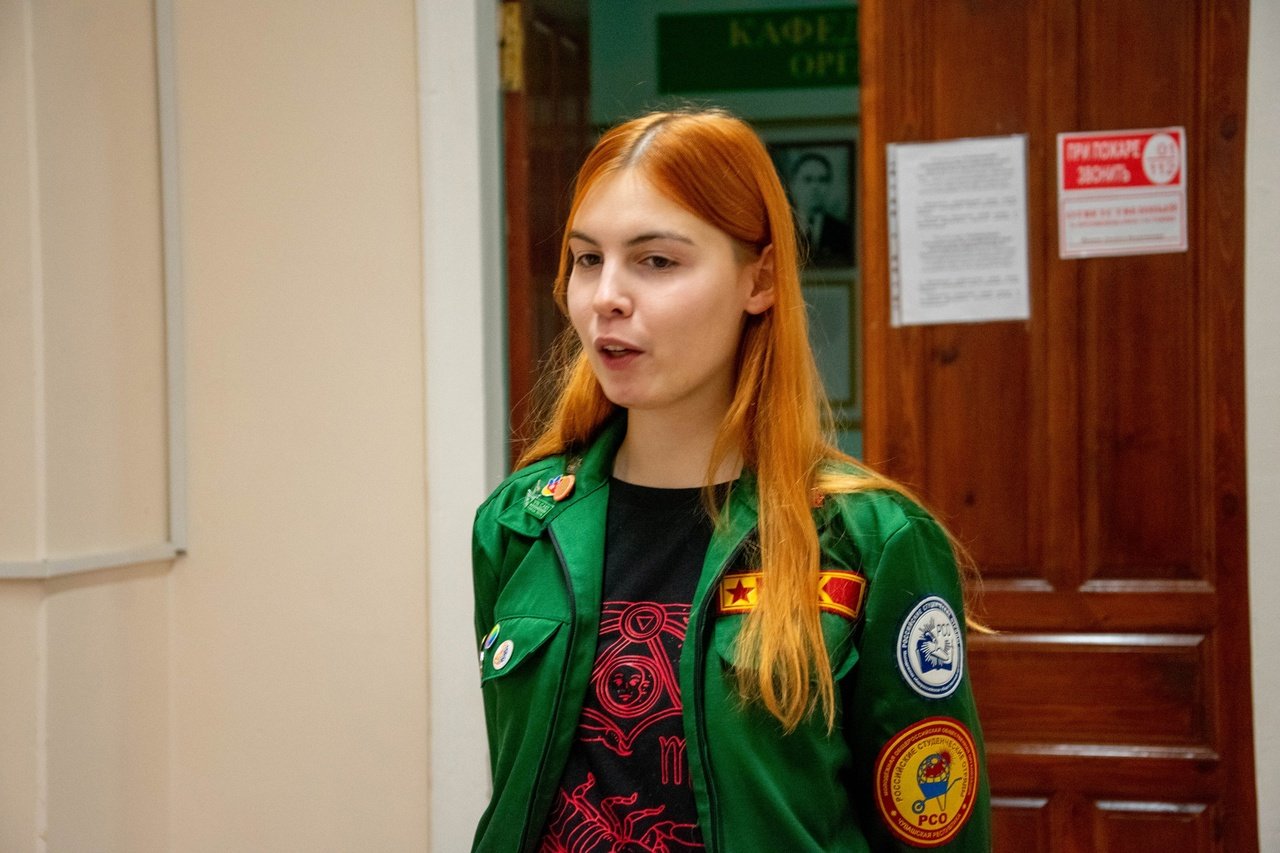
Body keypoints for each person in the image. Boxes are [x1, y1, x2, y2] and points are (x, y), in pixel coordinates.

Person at [471, 109, 990, 852]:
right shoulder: (520, 522)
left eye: (656, 261)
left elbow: (932, 820)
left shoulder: (870, 541)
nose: (606, 296)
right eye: (587, 259)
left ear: (761, 279)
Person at [788, 150, 854, 267]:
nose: (815, 187)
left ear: (829, 186)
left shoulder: (843, 232)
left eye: (822, 180)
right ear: (793, 185)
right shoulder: (781, 228)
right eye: (808, 179)